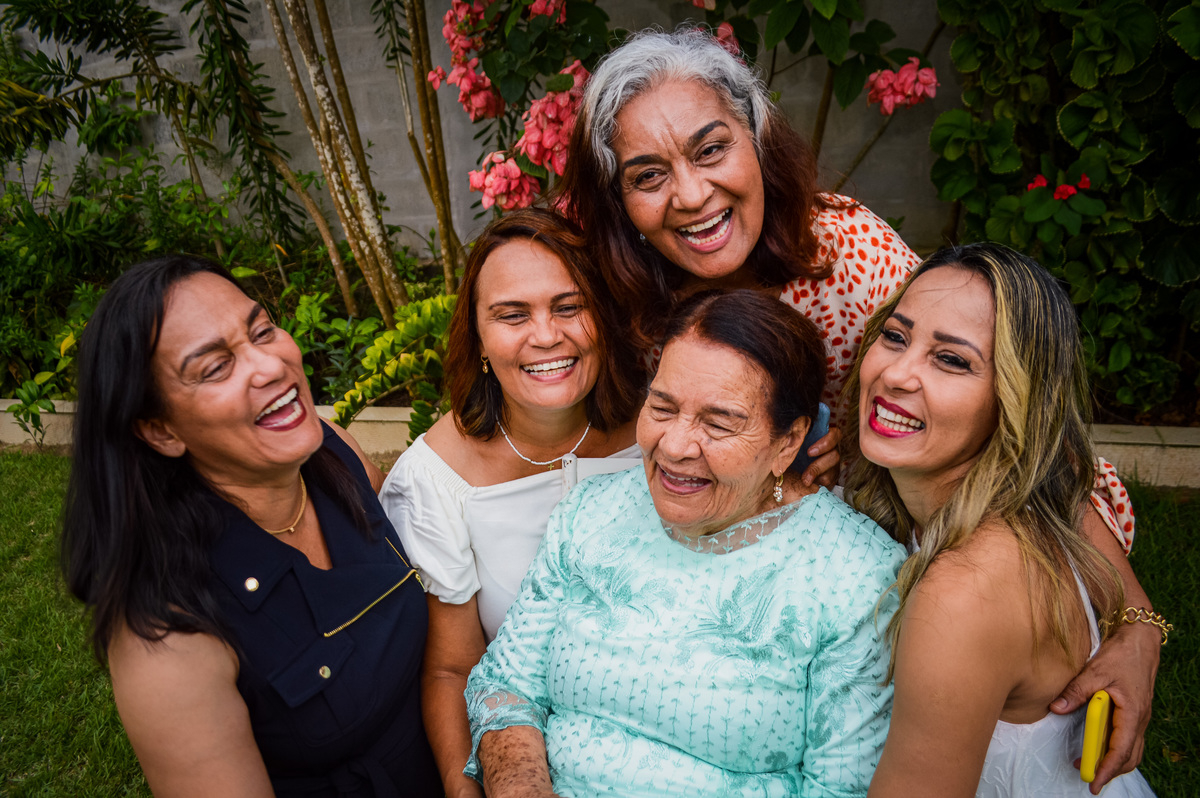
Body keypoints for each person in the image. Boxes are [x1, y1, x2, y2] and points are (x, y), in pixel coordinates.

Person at [465, 290, 907, 798]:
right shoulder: (592, 511)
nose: (674, 446)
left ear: (788, 442)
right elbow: (506, 687)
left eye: (718, 423)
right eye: (662, 407)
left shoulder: (856, 574)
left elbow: (840, 788)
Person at [60, 256, 440, 797]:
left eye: (262, 331)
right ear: (161, 430)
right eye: (216, 367)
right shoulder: (168, 635)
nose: (270, 366)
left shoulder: (335, 454)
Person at [842, 244, 1160, 797]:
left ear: (1015, 399)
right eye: (895, 336)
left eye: (951, 360)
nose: (896, 373)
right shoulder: (1043, 492)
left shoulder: (962, 594)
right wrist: (1142, 626)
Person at [378, 208, 645, 798]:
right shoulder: (436, 480)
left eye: (569, 307)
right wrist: (462, 787)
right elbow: (452, 667)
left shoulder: (664, 432)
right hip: (519, 747)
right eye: (512, 314)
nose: (546, 336)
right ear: (477, 338)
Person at [557, 27, 922, 452]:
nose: (692, 196)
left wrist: (863, 453)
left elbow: (951, 391)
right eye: (649, 176)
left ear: (756, 136)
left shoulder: (855, 253)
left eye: (710, 150)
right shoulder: (612, 298)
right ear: (619, 201)